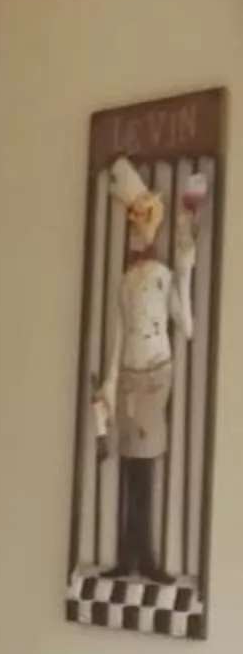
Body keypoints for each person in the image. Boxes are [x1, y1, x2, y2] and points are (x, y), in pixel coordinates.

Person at [93, 155, 202, 578]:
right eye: (135, 221)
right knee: (128, 467)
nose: (139, 229)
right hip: (129, 381)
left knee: (144, 467)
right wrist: (109, 383)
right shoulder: (125, 280)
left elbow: (187, 326)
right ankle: (129, 558)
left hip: (155, 376)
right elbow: (119, 337)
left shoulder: (164, 275)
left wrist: (187, 270)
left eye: (143, 220)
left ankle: (146, 559)